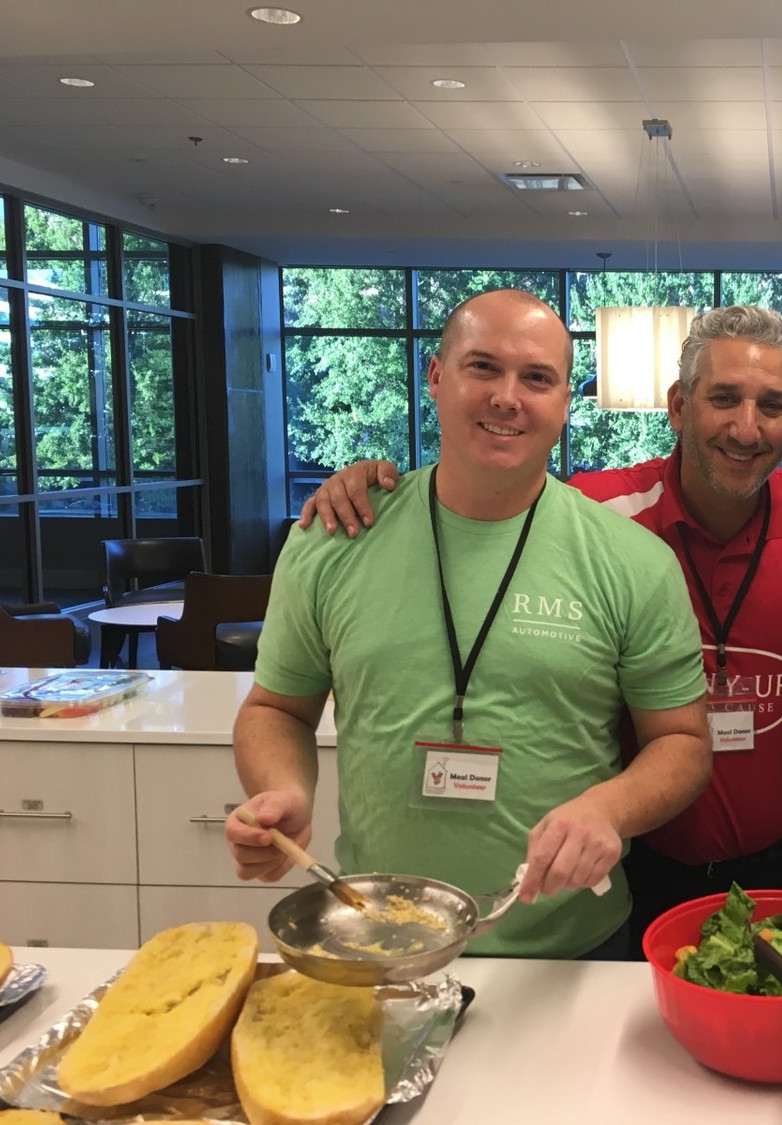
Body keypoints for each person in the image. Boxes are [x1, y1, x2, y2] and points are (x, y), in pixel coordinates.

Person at [298, 305, 782, 956]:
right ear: (678, 406)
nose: (746, 427)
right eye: (724, 398)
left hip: (776, 857)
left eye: (772, 405)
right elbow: (493, 490)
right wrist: (367, 482)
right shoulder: (600, 513)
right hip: (628, 858)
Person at [225, 289, 711, 960]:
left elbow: (682, 742)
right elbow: (277, 708)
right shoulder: (334, 538)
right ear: (436, 375)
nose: (507, 397)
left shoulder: (633, 561)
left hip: (570, 949)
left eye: (537, 377)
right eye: (483, 366)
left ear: (564, 401)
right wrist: (282, 790)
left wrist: (610, 808)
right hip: (375, 935)